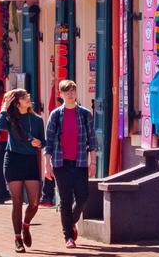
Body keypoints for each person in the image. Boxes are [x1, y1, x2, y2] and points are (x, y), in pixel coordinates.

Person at [44, 80, 98, 248]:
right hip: (61, 164)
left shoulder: (84, 114)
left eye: (72, 90)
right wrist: (47, 165)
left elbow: (92, 140)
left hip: (80, 162)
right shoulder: (55, 115)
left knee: (83, 197)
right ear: (60, 94)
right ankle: (68, 236)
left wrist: (93, 163)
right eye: (66, 91)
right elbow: (49, 142)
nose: (70, 94)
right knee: (65, 200)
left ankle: (71, 221)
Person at [0, 88, 46, 253]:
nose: (28, 98)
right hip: (13, 160)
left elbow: (44, 142)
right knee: (17, 201)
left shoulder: (37, 120)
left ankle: (26, 225)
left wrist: (39, 143)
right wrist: (4, 107)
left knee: (34, 202)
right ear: (17, 103)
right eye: (24, 97)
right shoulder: (10, 118)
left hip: (30, 161)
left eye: (27, 96)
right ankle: (17, 238)